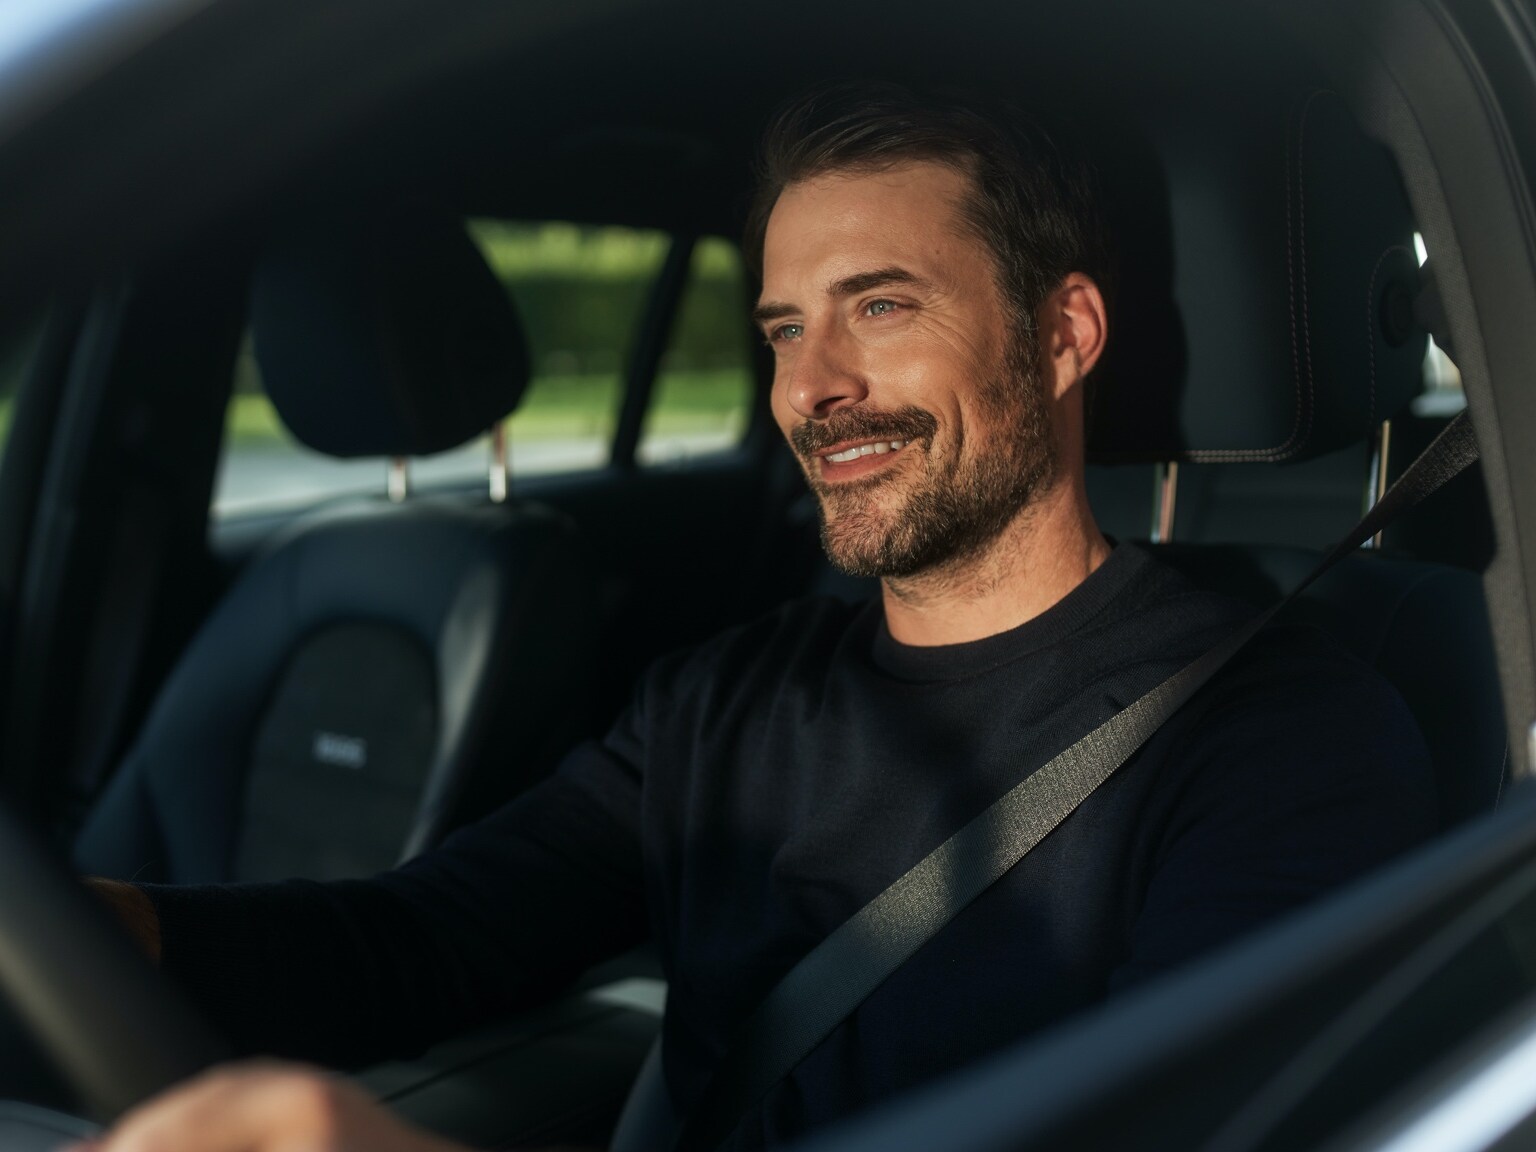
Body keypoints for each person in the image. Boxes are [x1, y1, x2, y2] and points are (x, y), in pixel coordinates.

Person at [73, 82, 1435, 1152]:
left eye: (880, 307)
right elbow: (419, 944)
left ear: (1066, 333)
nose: (812, 389)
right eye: (784, 329)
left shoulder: (1280, 737)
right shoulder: (720, 702)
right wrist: (103, 933)